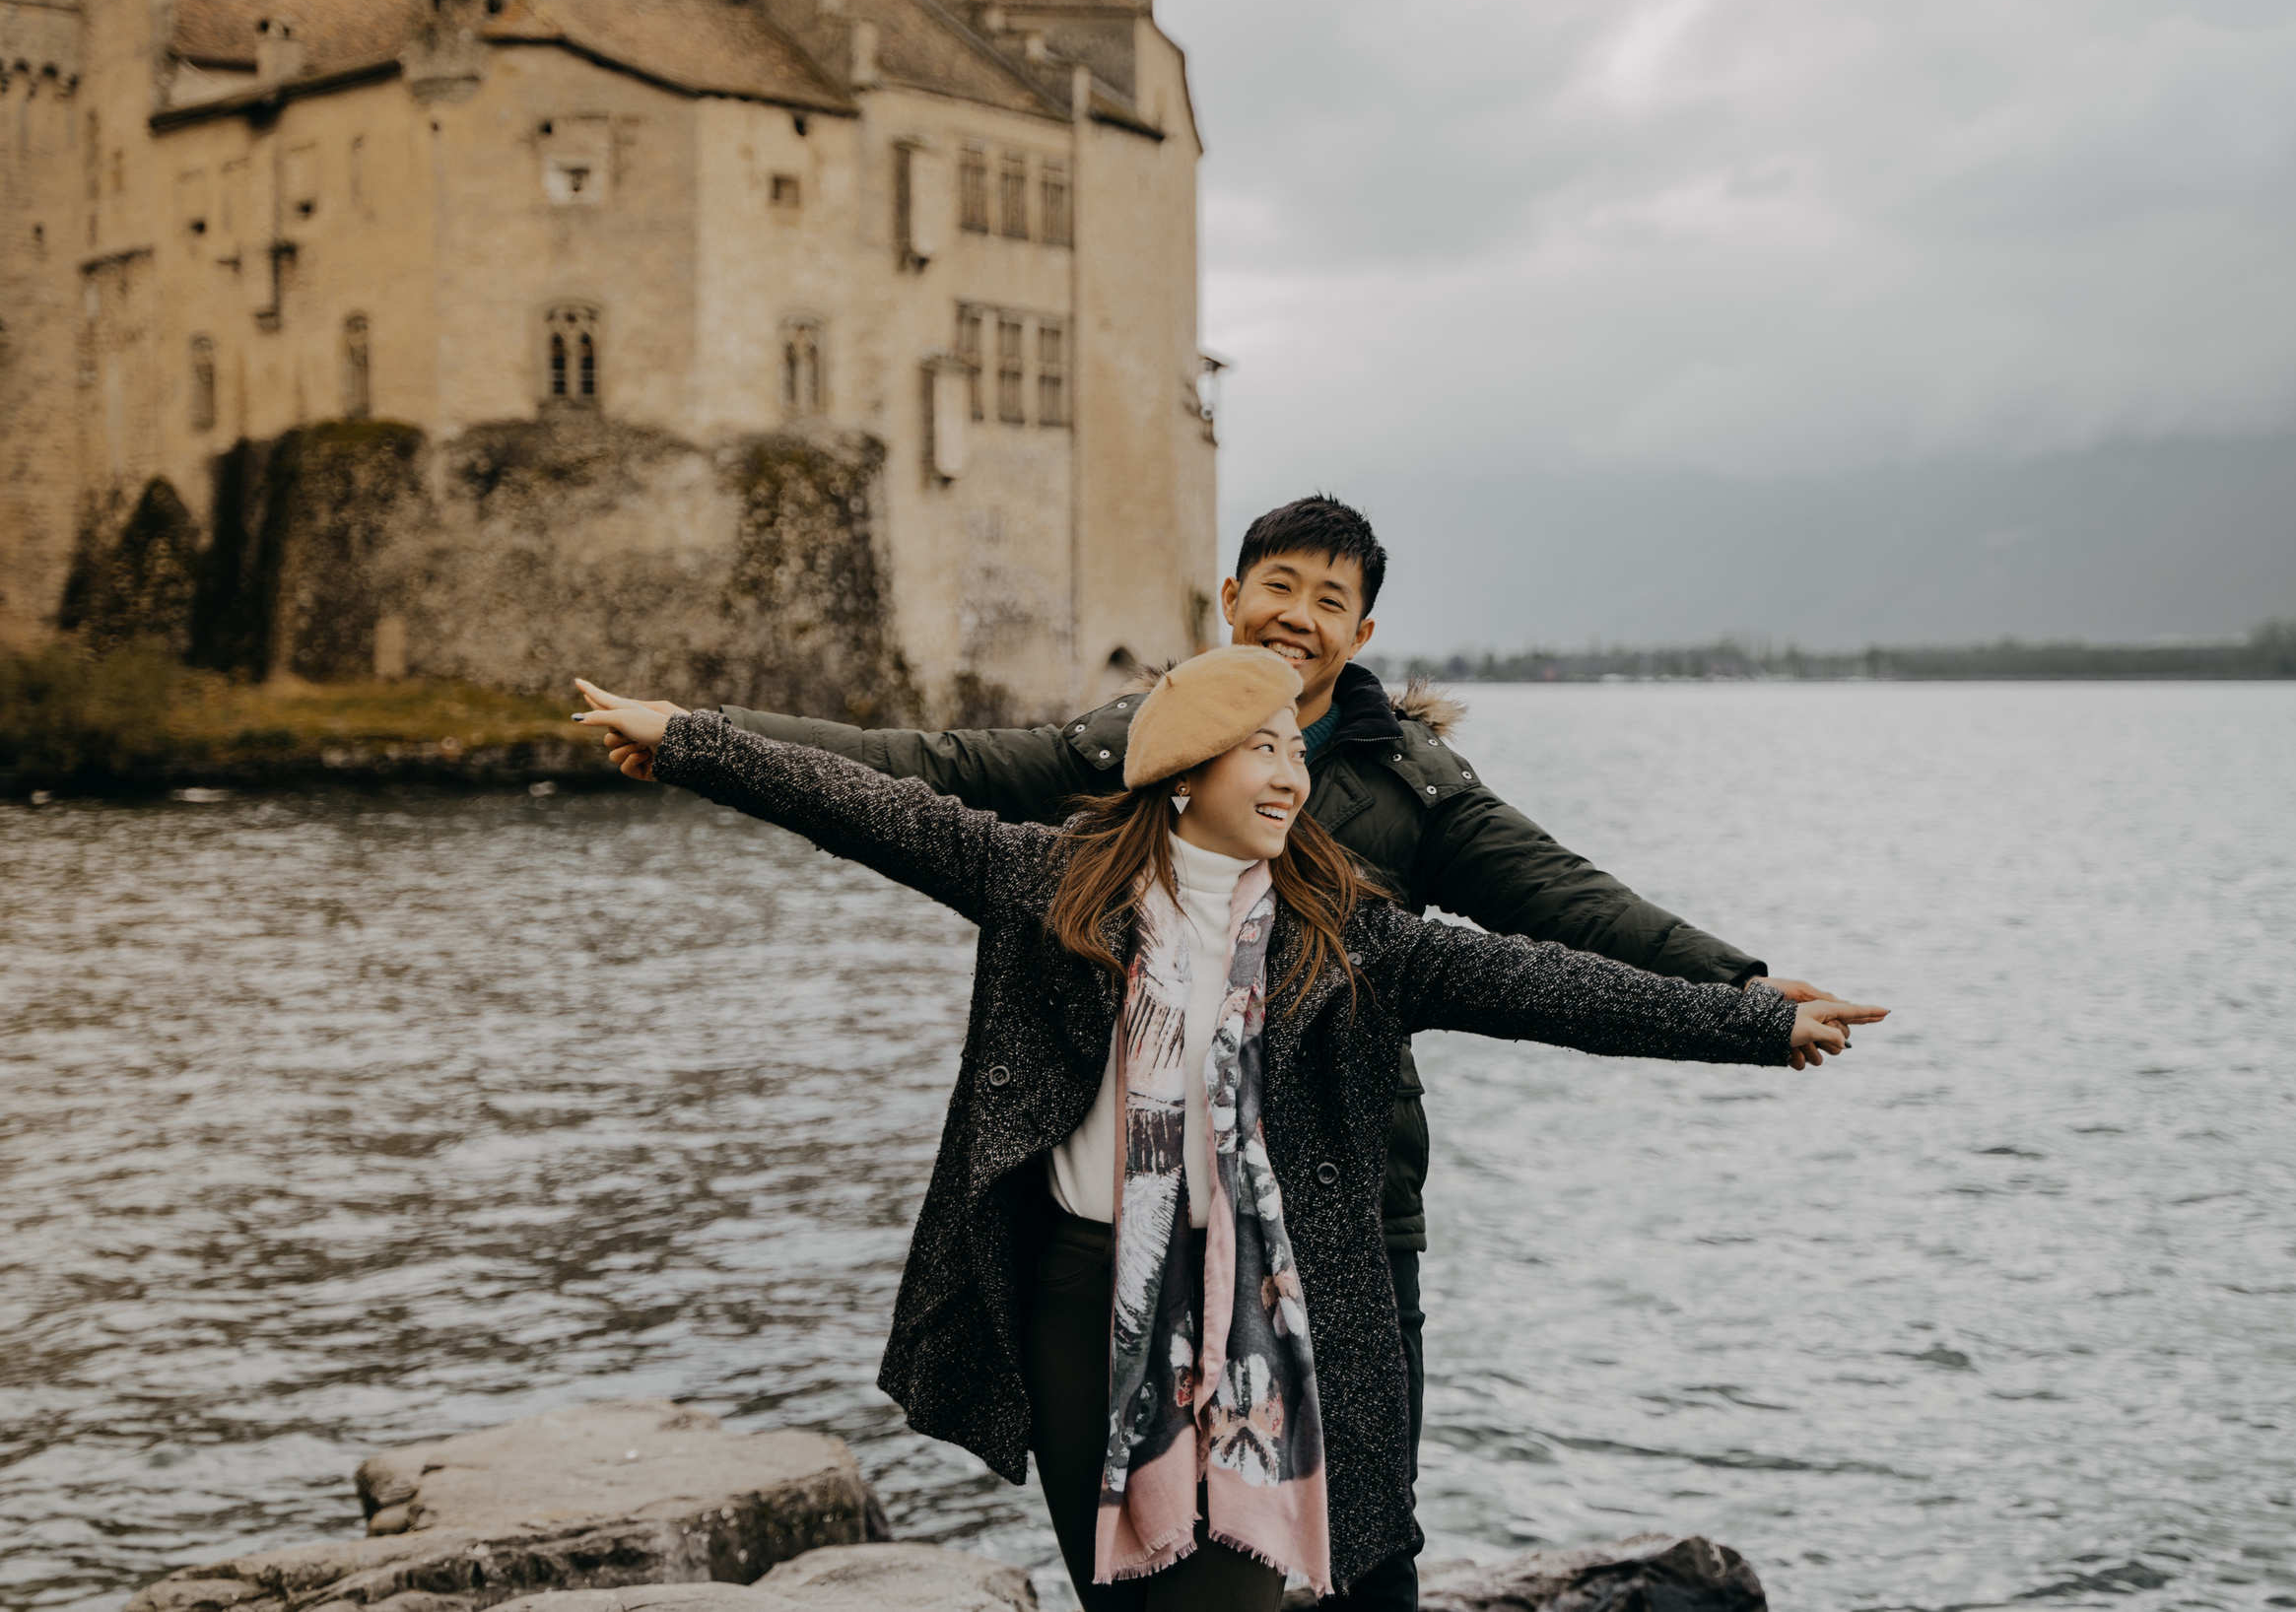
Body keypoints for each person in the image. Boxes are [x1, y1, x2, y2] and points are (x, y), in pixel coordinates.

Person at [582, 494, 1847, 1610]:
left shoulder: (1366, 897)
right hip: (1092, 1280)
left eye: (1330, 604)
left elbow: (1553, 956)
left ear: (1361, 635)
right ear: (1189, 746)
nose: (1288, 764)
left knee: (1351, 1550)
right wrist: (696, 739)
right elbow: (895, 795)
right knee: (1126, 1578)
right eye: (1278, 593)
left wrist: (1744, 1004)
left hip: (1322, 1243)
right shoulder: (1059, 862)